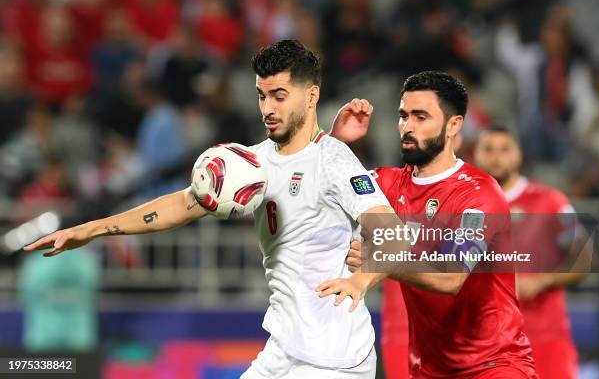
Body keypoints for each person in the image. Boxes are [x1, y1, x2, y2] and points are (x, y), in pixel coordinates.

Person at [25, 39, 403, 378]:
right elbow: (184, 203)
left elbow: (393, 233)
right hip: (283, 352)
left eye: (279, 95)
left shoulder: (335, 159)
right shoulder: (251, 163)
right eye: (261, 95)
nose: (267, 108)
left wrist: (360, 281)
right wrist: (90, 230)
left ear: (311, 96)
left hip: (333, 362)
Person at [319, 71, 538, 378]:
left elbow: (451, 277)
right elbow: (321, 188)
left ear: (454, 125)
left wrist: (380, 260)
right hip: (429, 369)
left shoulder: (479, 194)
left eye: (421, 117)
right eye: (403, 116)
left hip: (494, 365)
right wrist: (336, 144)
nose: (407, 127)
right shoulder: (387, 184)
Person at [474, 126, 587, 379]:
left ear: (519, 155)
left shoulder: (549, 202)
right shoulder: (465, 205)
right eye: (488, 149)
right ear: (476, 155)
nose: (496, 157)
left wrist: (544, 279)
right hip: (487, 341)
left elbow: (586, 258)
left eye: (505, 149)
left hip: (545, 335)